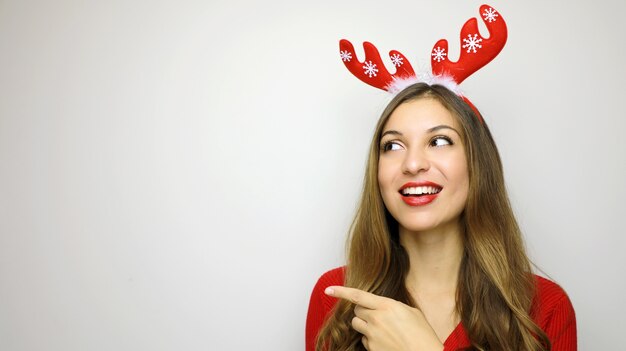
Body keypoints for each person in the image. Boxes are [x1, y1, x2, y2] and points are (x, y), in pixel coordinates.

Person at [305, 83, 577, 351]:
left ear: (477, 163)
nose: (412, 164)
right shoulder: (334, 298)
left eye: (438, 141)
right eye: (393, 145)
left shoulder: (546, 307)